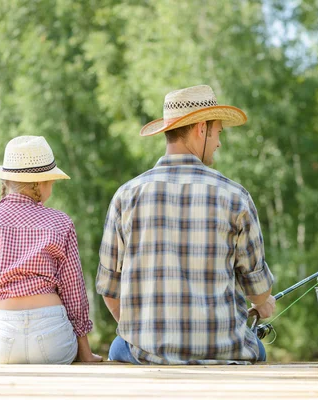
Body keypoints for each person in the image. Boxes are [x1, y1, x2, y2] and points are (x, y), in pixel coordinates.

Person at [96, 85, 276, 365]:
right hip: (223, 352)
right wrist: (263, 302)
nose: (219, 143)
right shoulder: (235, 197)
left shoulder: (126, 196)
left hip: (146, 353)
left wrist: (146, 336)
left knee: (120, 345)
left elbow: (109, 289)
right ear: (201, 129)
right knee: (259, 351)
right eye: (218, 132)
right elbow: (259, 290)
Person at [0, 136, 102, 364]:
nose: (50, 188)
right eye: (50, 182)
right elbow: (75, 291)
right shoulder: (60, 222)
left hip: (3, 340)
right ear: (39, 184)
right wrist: (85, 352)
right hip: (53, 336)